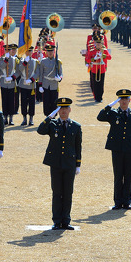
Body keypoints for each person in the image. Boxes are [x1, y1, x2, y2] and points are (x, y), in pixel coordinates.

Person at [37, 97, 81, 231]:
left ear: (69, 110)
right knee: (57, 193)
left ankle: (66, 221)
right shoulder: (52, 124)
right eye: (61, 109)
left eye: (65, 108)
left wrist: (78, 164)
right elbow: (40, 130)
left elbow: (78, 146)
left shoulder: (76, 126)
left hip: (69, 164)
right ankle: (56, 221)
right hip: (56, 163)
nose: (63, 111)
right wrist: (50, 116)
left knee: (68, 193)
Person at [97, 89, 131, 209]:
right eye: (121, 99)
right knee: (118, 175)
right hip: (117, 149)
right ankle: (117, 201)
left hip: (130, 149)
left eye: (126, 99)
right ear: (119, 101)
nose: (124, 101)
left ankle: (127, 201)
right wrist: (110, 106)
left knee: (129, 175)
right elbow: (100, 117)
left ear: (129, 100)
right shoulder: (113, 113)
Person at [37, 44, 63, 116]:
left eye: (51, 51)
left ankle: (53, 117)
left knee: (54, 102)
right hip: (45, 84)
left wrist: (59, 78)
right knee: (46, 102)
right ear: (46, 52)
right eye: (48, 51)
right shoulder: (43, 62)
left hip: (54, 84)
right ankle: (47, 116)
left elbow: (61, 73)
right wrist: (40, 85)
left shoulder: (58, 61)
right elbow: (41, 74)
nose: (50, 53)